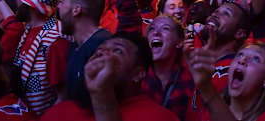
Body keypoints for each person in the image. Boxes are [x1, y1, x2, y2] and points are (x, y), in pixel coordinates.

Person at [40, 32, 179, 121]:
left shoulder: (157, 117)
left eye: (117, 51)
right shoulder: (59, 113)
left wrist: (103, 96)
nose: (101, 54)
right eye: (99, 50)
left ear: (138, 74)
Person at [0, 0, 71, 115]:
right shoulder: (30, 29)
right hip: (24, 111)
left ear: (32, 4)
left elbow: (62, 96)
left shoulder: (55, 40)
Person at [185, 40, 265, 121]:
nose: (242, 60)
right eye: (240, 55)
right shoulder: (209, 113)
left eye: (256, 59)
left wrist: (207, 89)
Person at [58, 0, 112, 107]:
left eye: (63, 1)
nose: (59, 6)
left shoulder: (102, 49)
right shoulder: (76, 46)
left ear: (76, 10)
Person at [143, 15, 194, 121]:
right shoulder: (136, 76)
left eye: (165, 28)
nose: (156, 33)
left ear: (180, 42)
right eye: (152, 28)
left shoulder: (190, 79)